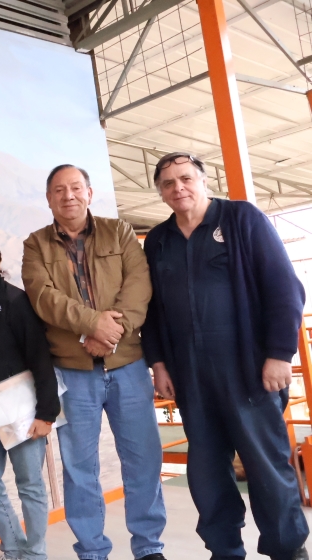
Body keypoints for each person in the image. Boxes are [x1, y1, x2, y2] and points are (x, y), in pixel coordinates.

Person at [142, 152, 309, 560]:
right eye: (168, 183)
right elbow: (152, 309)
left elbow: (284, 288)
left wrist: (279, 353)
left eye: (185, 178)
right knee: (207, 472)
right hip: (189, 374)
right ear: (161, 193)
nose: (178, 188)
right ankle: (225, 549)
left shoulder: (241, 219)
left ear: (203, 181)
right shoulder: (159, 240)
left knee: (267, 466)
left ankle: (287, 550)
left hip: (248, 368)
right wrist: (159, 363)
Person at [22, 165, 166, 560]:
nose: (67, 196)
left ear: (89, 192)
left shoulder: (118, 232)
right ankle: (92, 550)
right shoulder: (35, 244)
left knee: (143, 459)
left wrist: (112, 332)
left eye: (74, 188)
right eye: (58, 190)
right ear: (49, 198)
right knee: (79, 468)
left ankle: (149, 546)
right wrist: (93, 326)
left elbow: (139, 285)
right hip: (72, 371)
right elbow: (43, 297)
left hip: (128, 367)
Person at [0, 230, 61, 560]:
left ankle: (34, 554)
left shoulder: (15, 300)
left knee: (29, 483)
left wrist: (46, 413)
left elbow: (39, 356)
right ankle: (15, 549)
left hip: (21, 409)